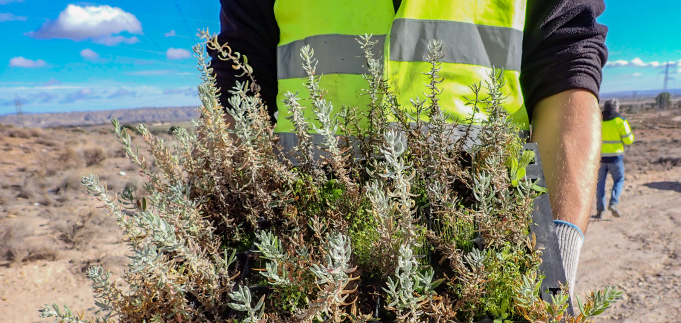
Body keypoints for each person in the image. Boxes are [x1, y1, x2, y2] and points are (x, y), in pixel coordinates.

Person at [210, 0, 608, 297]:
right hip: (311, 242)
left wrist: (559, 247)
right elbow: (239, 83)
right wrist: (225, 238)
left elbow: (567, 60)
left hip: (492, 241)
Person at [595, 99, 634, 219]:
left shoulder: (597, 120)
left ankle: (600, 210)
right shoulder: (620, 121)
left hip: (600, 158)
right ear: (616, 108)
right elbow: (629, 140)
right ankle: (613, 203)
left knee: (600, 183)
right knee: (619, 179)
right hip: (615, 158)